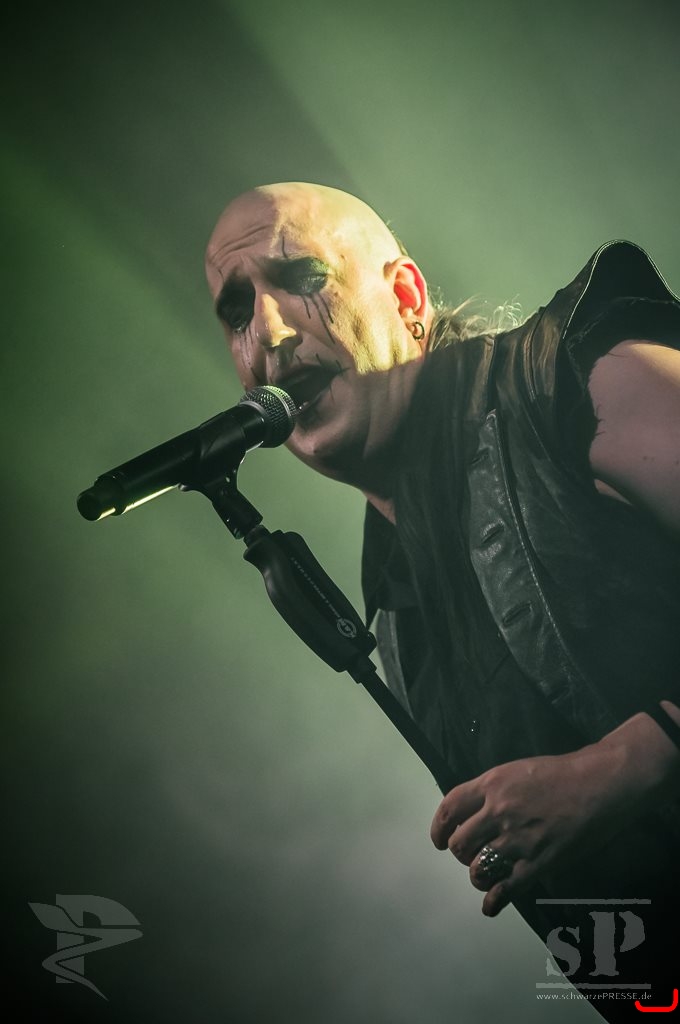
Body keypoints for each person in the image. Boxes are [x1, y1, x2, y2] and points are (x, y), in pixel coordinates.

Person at [205, 182, 680, 1020]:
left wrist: (634, 761)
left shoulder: (573, 376)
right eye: (237, 312)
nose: (270, 331)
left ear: (406, 296)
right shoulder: (392, 608)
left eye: (302, 277)